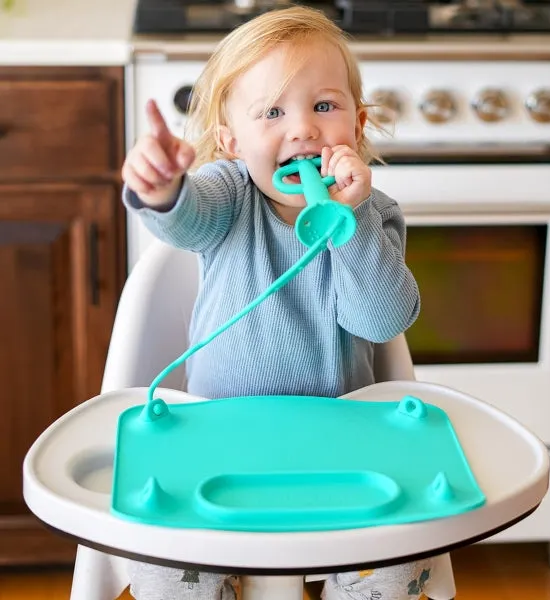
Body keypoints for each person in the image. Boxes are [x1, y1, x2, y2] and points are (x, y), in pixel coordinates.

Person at [121, 5, 428, 600]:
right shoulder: (229, 195)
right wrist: (162, 190)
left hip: (342, 442)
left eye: (324, 106)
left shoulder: (376, 213)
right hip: (219, 437)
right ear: (231, 141)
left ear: (357, 126)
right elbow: (186, 221)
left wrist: (351, 217)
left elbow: (383, 319)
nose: (303, 130)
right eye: (273, 112)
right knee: (163, 563)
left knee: (396, 564)